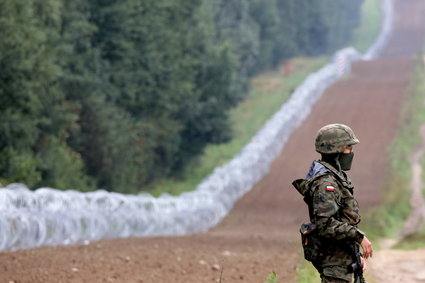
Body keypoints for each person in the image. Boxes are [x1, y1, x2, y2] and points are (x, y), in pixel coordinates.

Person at [292, 123, 373, 282]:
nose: (351, 153)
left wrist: (354, 257)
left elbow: (341, 220)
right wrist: (359, 236)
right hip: (334, 266)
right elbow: (326, 225)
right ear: (337, 150)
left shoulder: (336, 178)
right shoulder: (325, 184)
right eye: (349, 148)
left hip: (342, 262)